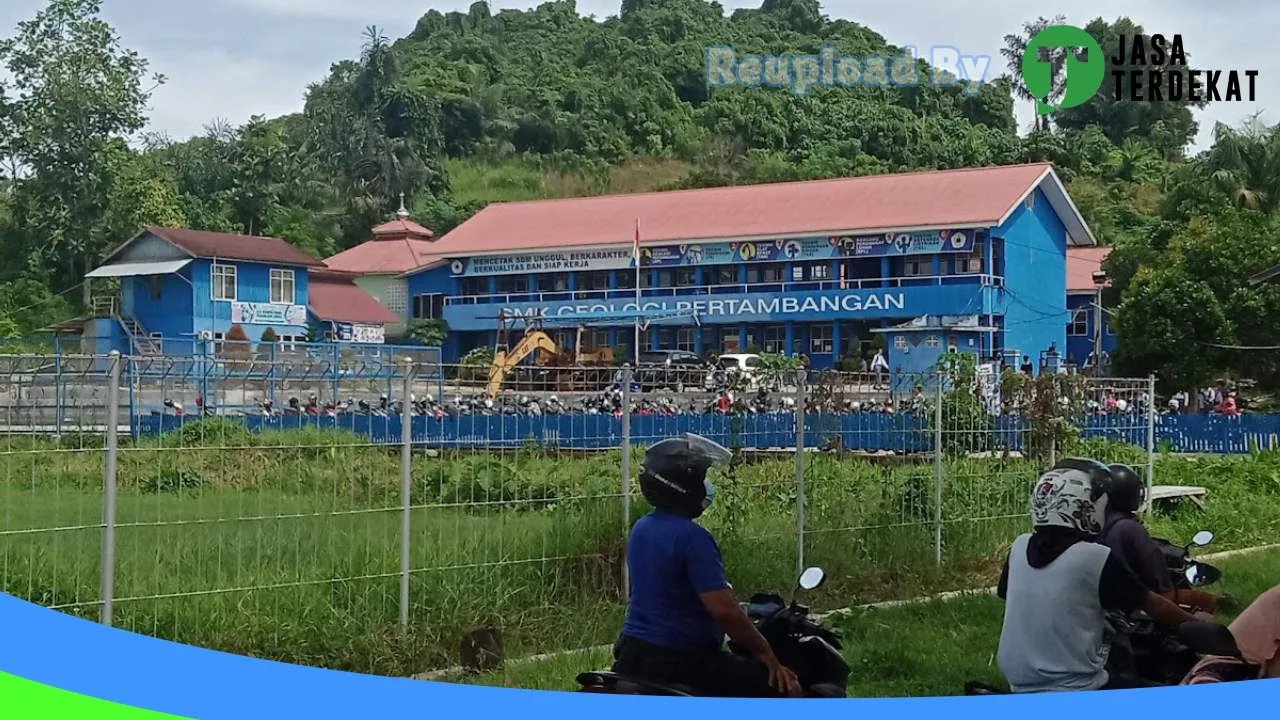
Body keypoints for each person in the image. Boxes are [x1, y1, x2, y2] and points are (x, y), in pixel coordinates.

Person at [997, 458, 1211, 693]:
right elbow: (1156, 606)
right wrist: (1199, 626)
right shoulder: (1093, 557)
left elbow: (1014, 595)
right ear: (1086, 506)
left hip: (1018, 684)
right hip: (1077, 686)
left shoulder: (1019, 546)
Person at [612, 433, 803, 698]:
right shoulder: (694, 539)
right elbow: (725, 612)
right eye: (702, 479)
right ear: (686, 487)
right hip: (681, 661)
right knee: (786, 688)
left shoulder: (642, 528)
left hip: (634, 654)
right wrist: (766, 654)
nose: (706, 486)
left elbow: (670, 591)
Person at [1099, 464, 1227, 614]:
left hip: (1107, 598)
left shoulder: (1095, 523)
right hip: (1134, 601)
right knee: (1203, 601)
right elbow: (1155, 572)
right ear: (1130, 493)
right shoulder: (1130, 528)